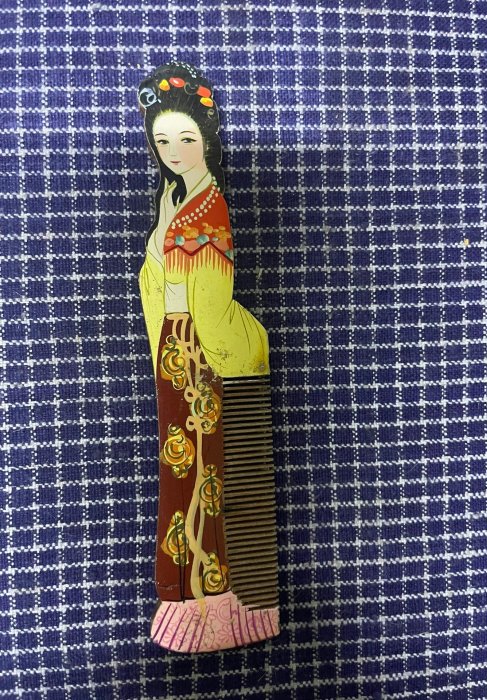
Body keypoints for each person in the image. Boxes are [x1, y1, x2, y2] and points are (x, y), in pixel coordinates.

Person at [137, 61, 279, 652]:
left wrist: (223, 356)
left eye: (186, 139)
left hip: (202, 352)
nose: (174, 151)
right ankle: (188, 599)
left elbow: (214, 300)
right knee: (184, 473)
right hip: (178, 346)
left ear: (207, 140)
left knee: (206, 474)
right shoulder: (175, 200)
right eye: (163, 141)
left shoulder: (208, 207)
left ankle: (217, 606)